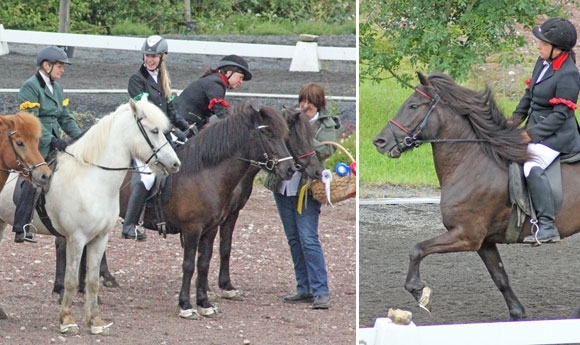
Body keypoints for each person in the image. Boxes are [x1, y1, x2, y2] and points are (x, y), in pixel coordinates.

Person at [264, 83, 340, 309]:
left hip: (307, 188)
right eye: (302, 101)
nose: (304, 105)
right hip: (284, 186)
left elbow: (327, 149)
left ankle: (321, 291)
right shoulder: (289, 118)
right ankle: (303, 288)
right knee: (294, 239)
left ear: (319, 104)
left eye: (309, 102)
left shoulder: (326, 124)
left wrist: (301, 134)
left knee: (308, 238)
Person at [510, 17, 580, 244]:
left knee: (531, 165)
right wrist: (513, 121)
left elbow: (561, 115)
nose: (538, 46)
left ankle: (547, 225)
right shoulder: (542, 63)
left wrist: (530, 135)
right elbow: (529, 97)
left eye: (543, 43)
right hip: (538, 127)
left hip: (558, 137)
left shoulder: (569, 74)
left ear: (557, 48)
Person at [123, 35, 192, 240]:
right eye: (147, 55)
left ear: (162, 57)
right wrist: (169, 130)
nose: (150, 59)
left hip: (159, 134)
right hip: (142, 135)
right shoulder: (137, 79)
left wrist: (186, 127)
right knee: (148, 175)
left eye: (154, 56)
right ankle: (129, 225)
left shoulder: (162, 80)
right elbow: (146, 112)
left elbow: (171, 110)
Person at [14, 46, 82, 243]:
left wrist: (80, 137)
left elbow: (65, 117)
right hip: (36, 143)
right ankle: (22, 226)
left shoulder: (58, 89)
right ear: (47, 65)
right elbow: (30, 121)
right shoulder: (30, 87)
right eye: (60, 66)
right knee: (34, 178)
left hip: (55, 141)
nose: (62, 70)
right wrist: (51, 139)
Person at [173, 54, 252, 129]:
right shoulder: (216, 84)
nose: (241, 82)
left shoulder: (213, 81)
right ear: (228, 72)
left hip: (187, 119)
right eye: (240, 77)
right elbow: (221, 113)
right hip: (184, 122)